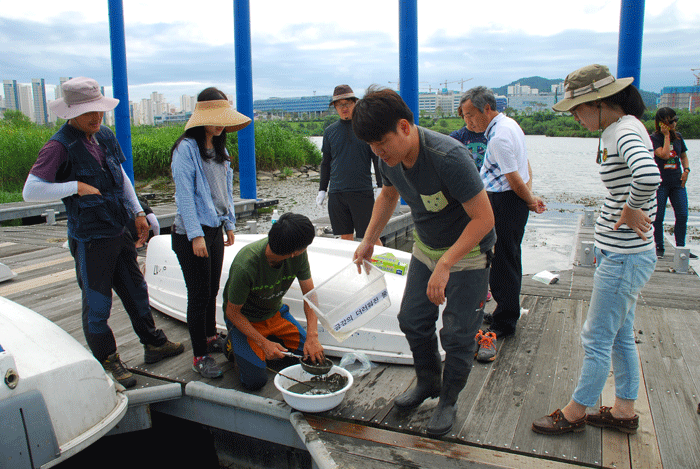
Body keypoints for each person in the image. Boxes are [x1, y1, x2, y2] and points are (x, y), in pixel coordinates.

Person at [351, 86, 496, 436]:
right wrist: (369, 239)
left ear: (404, 127)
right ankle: (428, 382)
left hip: (468, 254)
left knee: (458, 335)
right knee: (412, 319)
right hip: (426, 248)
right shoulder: (389, 156)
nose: (377, 153)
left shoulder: (449, 157)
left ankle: (448, 399)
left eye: (381, 144)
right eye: (370, 146)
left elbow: (484, 219)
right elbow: (388, 194)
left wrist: (446, 264)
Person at [22, 77, 184, 388]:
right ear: (70, 113)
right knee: (98, 303)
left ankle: (153, 343)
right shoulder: (59, 146)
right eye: (88, 113)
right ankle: (108, 359)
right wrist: (75, 187)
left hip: (119, 228)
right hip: (90, 237)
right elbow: (32, 190)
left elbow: (121, 177)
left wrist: (139, 212)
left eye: (99, 111)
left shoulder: (105, 135)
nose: (96, 118)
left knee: (137, 291)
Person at [532, 64, 660, 435]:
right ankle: (623, 410)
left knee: (596, 335)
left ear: (601, 102)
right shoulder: (620, 128)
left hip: (624, 257)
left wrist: (633, 206)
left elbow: (649, 175)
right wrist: (627, 206)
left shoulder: (622, 130)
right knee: (619, 333)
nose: (574, 116)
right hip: (622, 253)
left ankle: (576, 412)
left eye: (578, 108)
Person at [459, 86, 546, 363]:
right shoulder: (510, 125)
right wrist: (529, 197)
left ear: (487, 108)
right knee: (506, 257)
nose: (468, 123)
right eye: (464, 116)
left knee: (503, 260)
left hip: (505, 201)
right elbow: (526, 166)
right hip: (508, 200)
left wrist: (530, 200)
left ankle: (506, 320)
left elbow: (514, 179)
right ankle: (505, 310)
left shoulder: (498, 137)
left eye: (471, 115)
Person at [170, 87, 252, 379]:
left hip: (215, 228)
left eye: (223, 119)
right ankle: (199, 356)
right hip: (191, 232)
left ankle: (208, 336)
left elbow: (224, 192)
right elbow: (185, 196)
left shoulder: (220, 149)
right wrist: (195, 235)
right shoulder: (186, 150)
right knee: (198, 294)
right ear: (200, 118)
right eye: (215, 118)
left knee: (213, 289)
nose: (219, 124)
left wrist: (229, 223)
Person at [222, 213, 325, 391]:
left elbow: (310, 295)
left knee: (311, 357)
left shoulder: (298, 255)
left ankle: (270, 340)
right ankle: (229, 345)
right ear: (293, 253)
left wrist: (312, 336)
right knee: (255, 381)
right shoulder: (246, 265)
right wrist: (263, 342)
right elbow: (232, 313)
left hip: (275, 314)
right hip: (246, 320)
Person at [317, 85, 383, 244]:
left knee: (371, 236)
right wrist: (322, 189)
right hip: (337, 193)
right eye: (339, 105)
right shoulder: (330, 131)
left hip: (361, 190)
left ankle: (383, 265)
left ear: (355, 104)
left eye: (347, 103)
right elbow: (325, 163)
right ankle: (352, 268)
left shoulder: (366, 127)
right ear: (335, 107)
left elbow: (377, 158)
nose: (344, 108)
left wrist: (381, 185)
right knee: (344, 238)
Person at [650, 107, 696, 259]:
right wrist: (666, 135)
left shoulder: (679, 137)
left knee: (682, 215)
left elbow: (683, 156)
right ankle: (659, 247)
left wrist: (687, 170)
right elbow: (663, 155)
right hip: (661, 183)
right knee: (658, 217)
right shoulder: (655, 138)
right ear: (662, 122)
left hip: (678, 182)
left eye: (675, 119)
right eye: (671, 121)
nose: (674, 123)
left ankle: (681, 248)